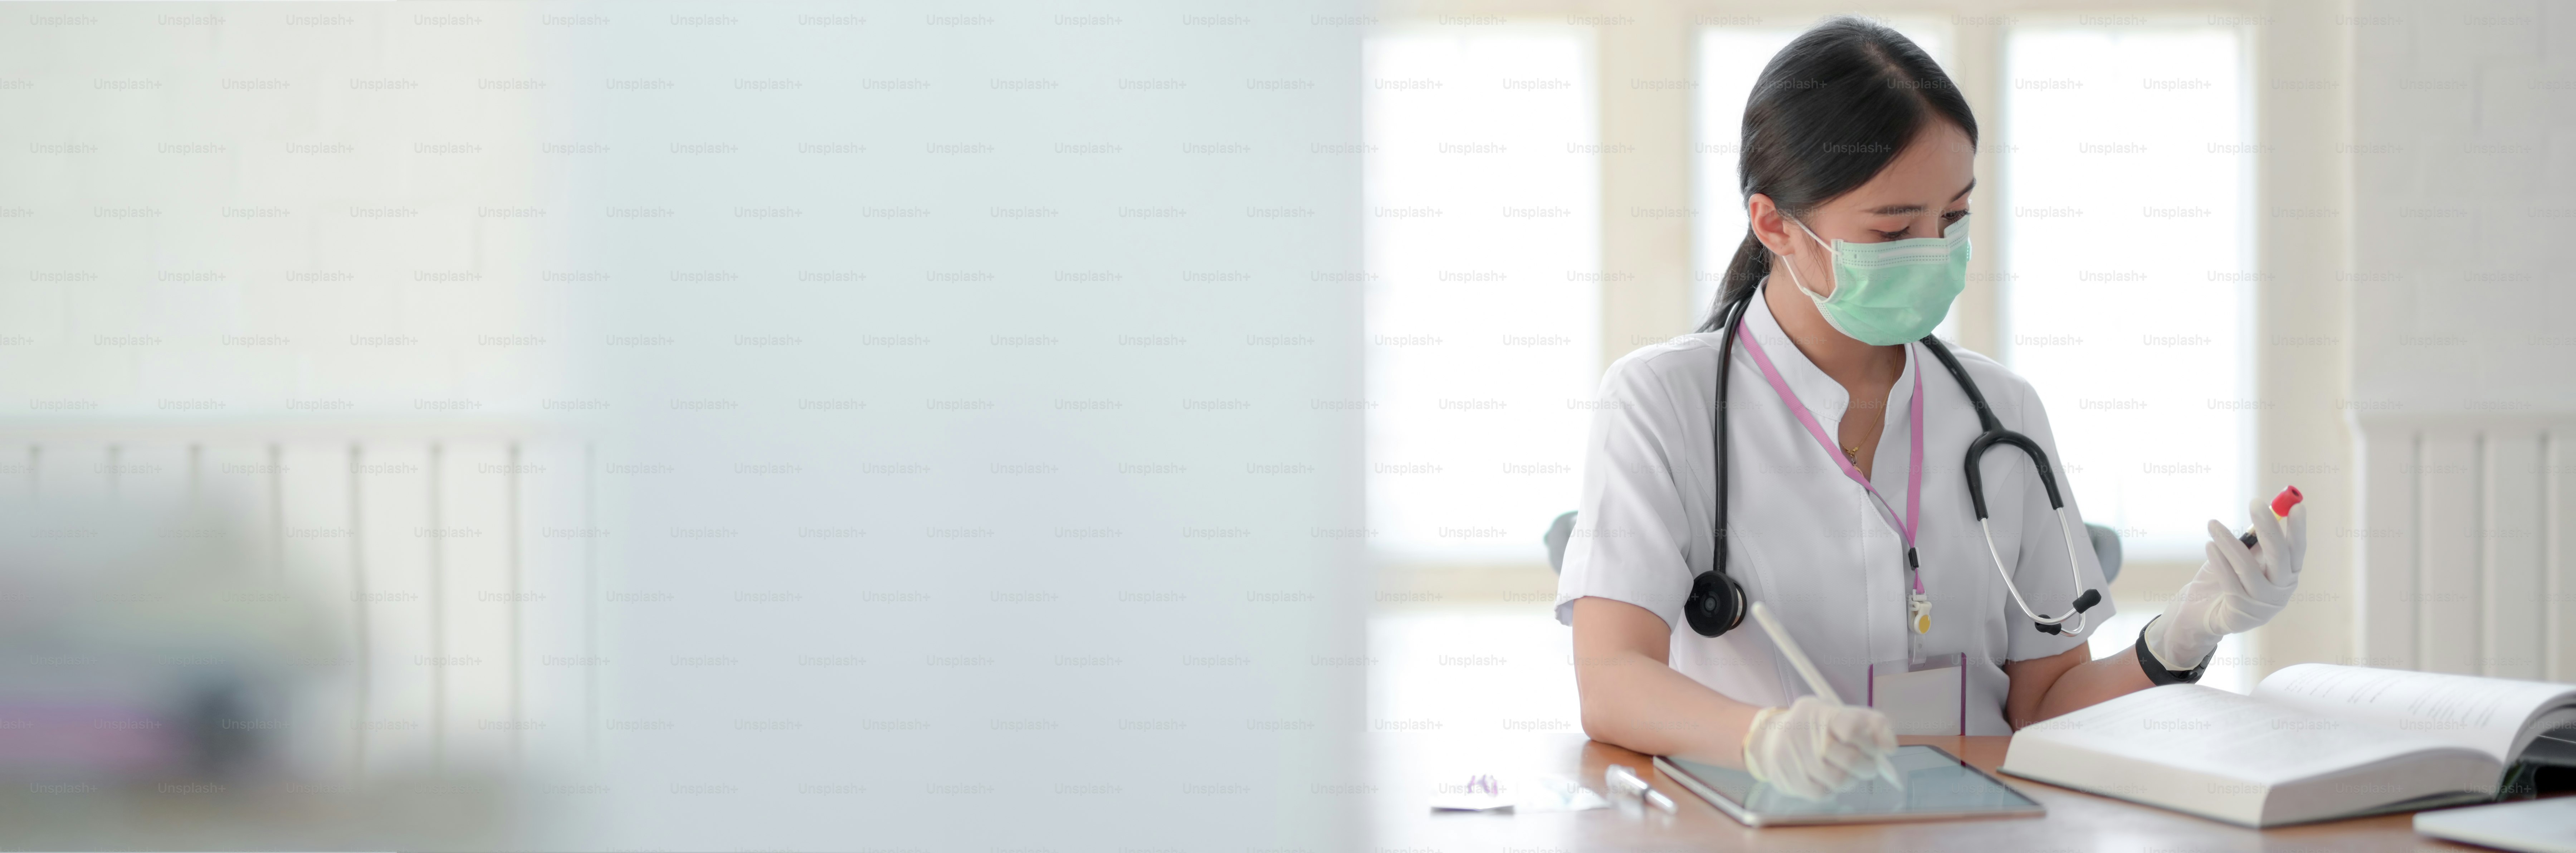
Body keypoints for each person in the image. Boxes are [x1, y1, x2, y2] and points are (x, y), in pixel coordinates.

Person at [1552, 16, 2308, 800]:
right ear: (1775, 224)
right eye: (1894, 229)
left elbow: (2046, 709)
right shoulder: (1661, 401)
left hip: (1980, 826)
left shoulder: (2002, 414)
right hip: (1763, 825)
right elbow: (1612, 678)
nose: (1934, 250)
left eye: (1952, 218)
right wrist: (1762, 738)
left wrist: (2179, 638)